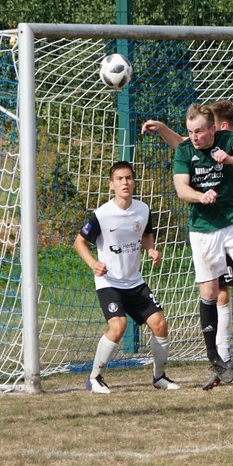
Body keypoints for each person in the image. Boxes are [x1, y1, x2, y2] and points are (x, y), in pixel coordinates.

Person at [141, 100, 233, 384]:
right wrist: (163, 128)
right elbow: (184, 145)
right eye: (192, 131)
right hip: (208, 230)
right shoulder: (197, 145)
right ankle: (222, 362)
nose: (196, 136)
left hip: (230, 223)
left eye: (207, 129)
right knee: (218, 294)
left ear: (220, 127)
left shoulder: (231, 143)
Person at [74, 161, 179, 393]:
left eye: (129, 178)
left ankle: (159, 377)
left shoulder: (143, 210)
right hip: (109, 282)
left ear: (134, 182)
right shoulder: (102, 215)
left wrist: (150, 250)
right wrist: (93, 264)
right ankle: (94, 378)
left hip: (135, 281)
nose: (125, 182)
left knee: (160, 324)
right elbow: (79, 242)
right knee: (118, 326)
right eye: (120, 179)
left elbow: (146, 235)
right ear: (111, 185)